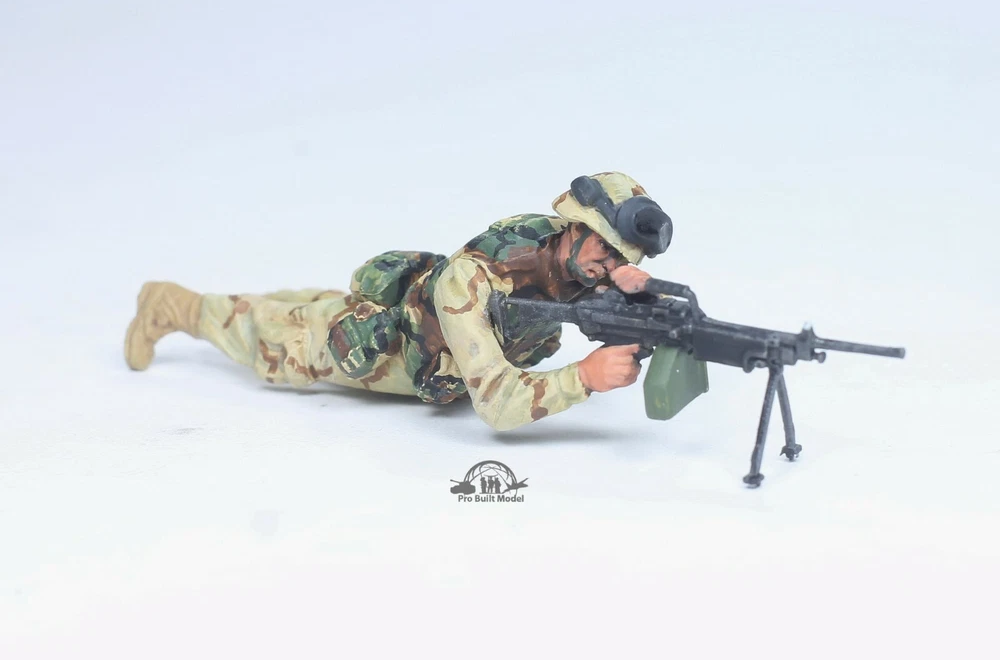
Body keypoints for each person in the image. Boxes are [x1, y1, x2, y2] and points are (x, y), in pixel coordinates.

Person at [124, 172, 673, 431]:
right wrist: (584, 377)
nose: (611, 266)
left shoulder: (573, 261)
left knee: (308, 306)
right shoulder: (475, 278)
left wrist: (633, 303)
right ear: (574, 228)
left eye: (624, 259)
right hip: (380, 352)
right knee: (278, 340)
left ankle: (295, 305)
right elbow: (499, 406)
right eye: (605, 249)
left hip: (425, 329)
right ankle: (172, 306)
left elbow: (591, 292)